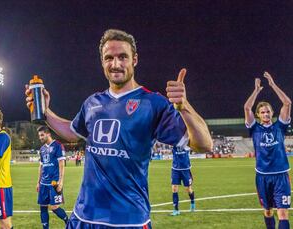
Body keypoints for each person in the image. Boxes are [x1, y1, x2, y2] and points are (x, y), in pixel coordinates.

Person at [26, 29, 212, 228]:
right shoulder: (92, 102)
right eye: (109, 58)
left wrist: (185, 107)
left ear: (135, 60)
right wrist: (45, 112)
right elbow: (72, 132)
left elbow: (204, 145)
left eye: (123, 57)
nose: (116, 64)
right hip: (84, 217)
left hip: (129, 220)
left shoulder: (152, 103)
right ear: (102, 62)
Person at [244, 72, 291, 229]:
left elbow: (287, 104)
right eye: (262, 112)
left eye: (268, 111)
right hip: (263, 177)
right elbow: (247, 107)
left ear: (272, 113)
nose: (265, 114)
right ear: (258, 115)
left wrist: (273, 85)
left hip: (281, 175)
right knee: (268, 211)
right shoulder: (254, 129)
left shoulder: (280, 126)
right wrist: (256, 90)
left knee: (283, 213)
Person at [36, 125, 68, 228]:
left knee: (54, 207)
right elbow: (41, 166)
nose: (40, 137)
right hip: (43, 184)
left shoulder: (58, 145)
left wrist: (61, 182)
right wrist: (38, 182)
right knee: (43, 207)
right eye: (39, 136)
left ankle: (68, 221)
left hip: (54, 183)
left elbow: (62, 165)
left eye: (42, 135)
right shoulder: (41, 149)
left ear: (48, 134)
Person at [170, 145, 195, 216]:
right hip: (175, 169)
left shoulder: (186, 143)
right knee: (174, 188)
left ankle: (192, 202)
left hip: (185, 169)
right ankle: (176, 210)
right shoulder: (173, 141)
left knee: (188, 189)